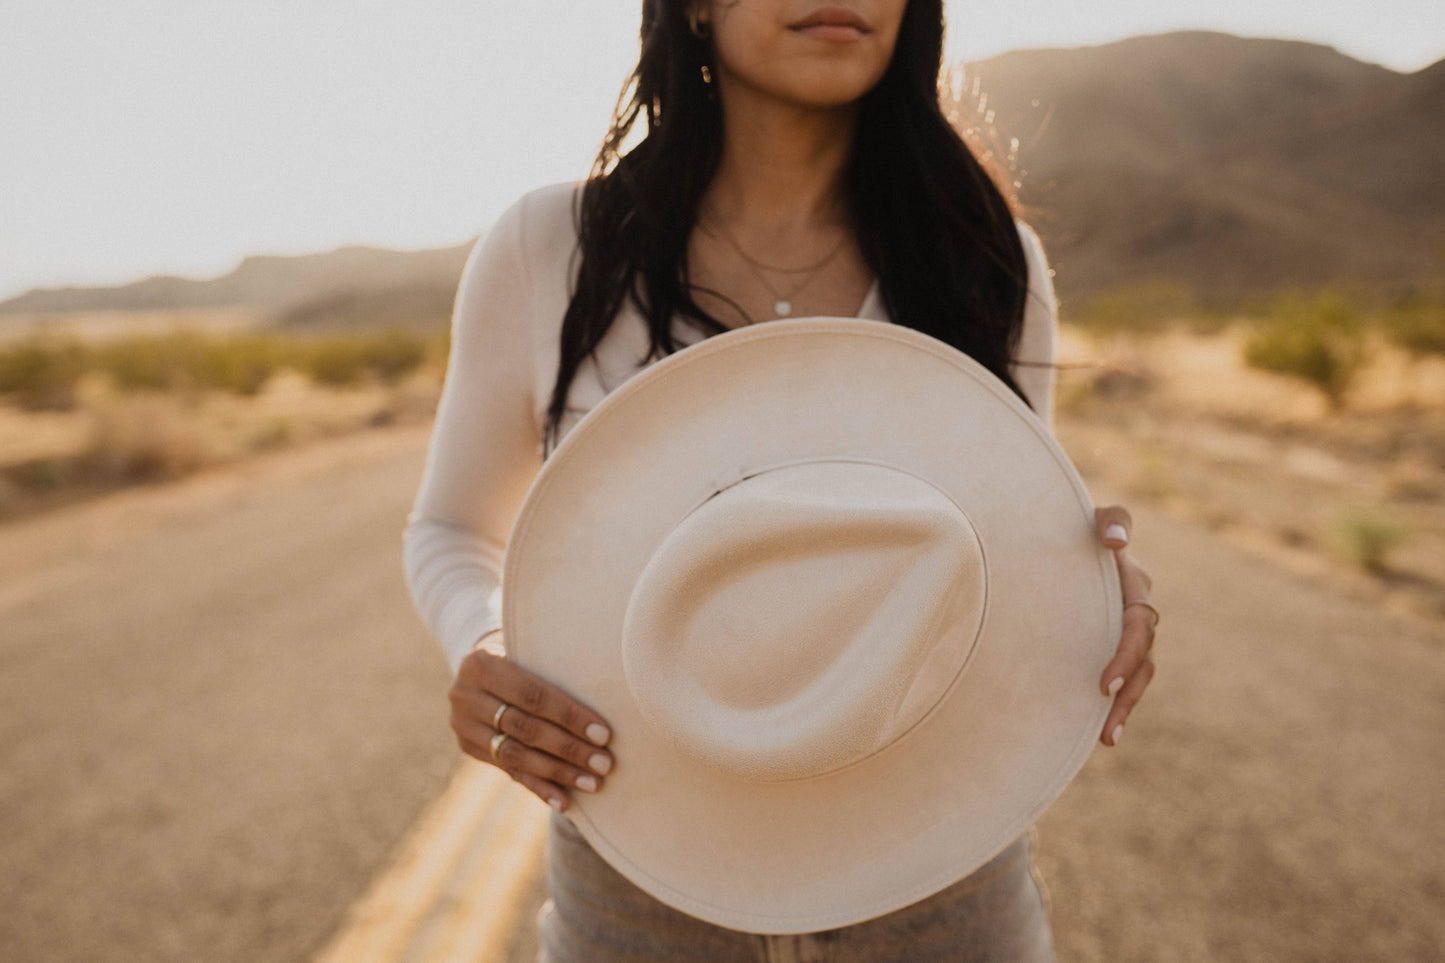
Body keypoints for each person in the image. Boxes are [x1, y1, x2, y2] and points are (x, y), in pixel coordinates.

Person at [402, 1, 1159, 959]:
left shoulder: (984, 253)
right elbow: (451, 528)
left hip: (942, 873)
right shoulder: (552, 245)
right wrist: (484, 645)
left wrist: (1093, 587)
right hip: (640, 867)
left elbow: (1011, 531)